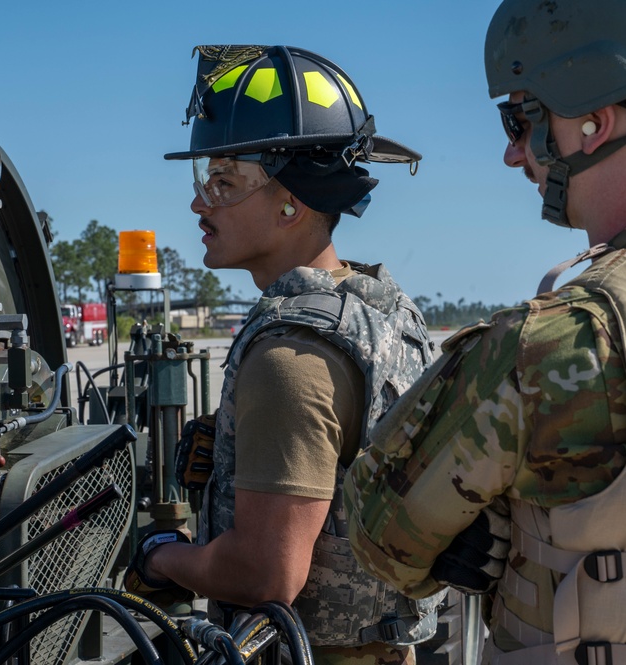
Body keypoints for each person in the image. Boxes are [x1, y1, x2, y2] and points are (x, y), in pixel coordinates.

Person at [123, 44, 444, 664]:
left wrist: (159, 554)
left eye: (224, 182)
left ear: (290, 201)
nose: (199, 203)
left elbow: (267, 575)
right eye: (203, 179)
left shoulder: (290, 357)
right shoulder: (382, 311)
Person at [344, 1, 626, 663]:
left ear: (595, 122)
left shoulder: (551, 343)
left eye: (520, 118)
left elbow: (380, 535)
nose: (510, 153)